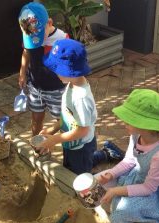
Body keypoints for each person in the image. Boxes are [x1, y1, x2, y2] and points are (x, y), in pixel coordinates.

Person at [96, 89, 159, 223]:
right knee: (96, 181)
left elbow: (148, 188)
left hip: (154, 190)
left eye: (129, 120)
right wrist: (111, 173)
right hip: (137, 174)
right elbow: (129, 161)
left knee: (121, 212)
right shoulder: (137, 135)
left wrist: (115, 191)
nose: (124, 122)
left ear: (145, 124)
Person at [37, 38, 122, 175]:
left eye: (57, 69)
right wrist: (52, 130)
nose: (54, 73)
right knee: (73, 165)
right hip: (70, 141)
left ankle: (106, 154)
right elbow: (68, 115)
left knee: (81, 172)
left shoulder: (80, 97)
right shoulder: (72, 85)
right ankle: (107, 152)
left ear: (69, 71)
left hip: (81, 145)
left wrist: (54, 140)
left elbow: (82, 131)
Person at [18, 2, 69, 136]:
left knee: (63, 120)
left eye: (38, 37)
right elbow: (26, 52)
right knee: (36, 118)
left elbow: (69, 65)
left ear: (50, 23)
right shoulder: (29, 34)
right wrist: (22, 73)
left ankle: (65, 148)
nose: (35, 41)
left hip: (56, 89)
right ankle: (37, 146)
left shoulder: (62, 39)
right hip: (35, 87)